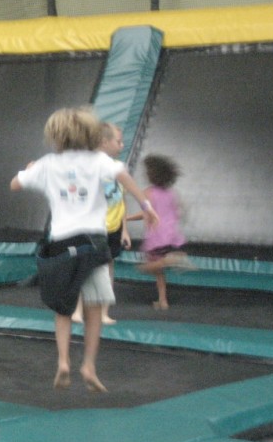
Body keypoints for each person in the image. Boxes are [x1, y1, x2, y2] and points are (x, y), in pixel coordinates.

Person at [10, 107, 158, 392]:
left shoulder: (48, 163)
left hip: (62, 244)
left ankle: (63, 361)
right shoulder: (99, 161)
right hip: (94, 243)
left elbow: (15, 184)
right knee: (93, 309)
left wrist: (27, 172)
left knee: (63, 309)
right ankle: (88, 364)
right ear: (90, 134)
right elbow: (124, 176)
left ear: (55, 136)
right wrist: (147, 206)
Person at [72, 122, 131, 325]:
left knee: (107, 268)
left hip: (113, 227)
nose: (121, 145)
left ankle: (104, 312)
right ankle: (78, 310)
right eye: (118, 141)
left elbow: (122, 200)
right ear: (104, 142)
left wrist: (125, 230)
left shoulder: (119, 169)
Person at [127, 154, 192, 310]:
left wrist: (127, 218)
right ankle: (163, 301)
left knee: (147, 267)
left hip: (157, 237)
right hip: (171, 236)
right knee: (158, 272)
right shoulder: (171, 193)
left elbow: (146, 214)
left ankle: (171, 260)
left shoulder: (149, 193)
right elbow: (177, 213)